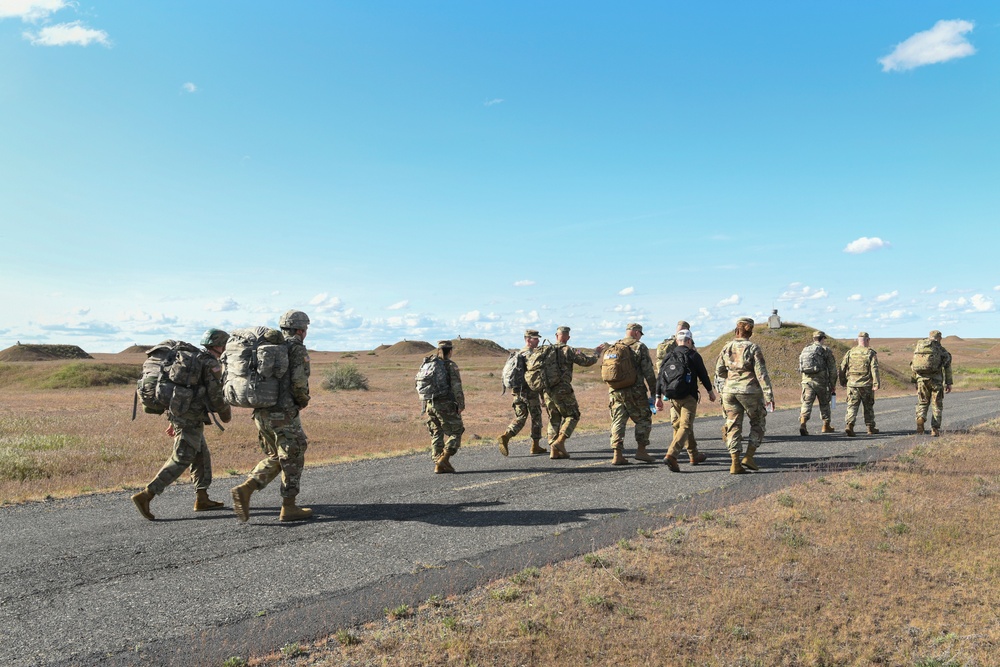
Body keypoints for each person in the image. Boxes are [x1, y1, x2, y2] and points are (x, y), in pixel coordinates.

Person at [131, 328, 232, 520]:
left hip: (183, 413)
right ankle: (146, 495)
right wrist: (226, 414)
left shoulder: (195, 359)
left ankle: (202, 498)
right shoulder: (210, 363)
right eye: (225, 345)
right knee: (183, 457)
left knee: (201, 453)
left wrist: (174, 418)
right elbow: (215, 395)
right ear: (219, 346)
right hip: (189, 416)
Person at [231, 310, 313, 522]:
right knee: (293, 454)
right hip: (283, 413)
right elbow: (298, 382)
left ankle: (247, 489)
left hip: (261, 411)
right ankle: (289, 506)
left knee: (277, 456)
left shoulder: (266, 348)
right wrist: (302, 401)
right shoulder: (296, 349)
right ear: (300, 330)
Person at [714, 317, 775, 474]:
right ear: (751, 331)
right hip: (749, 391)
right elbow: (761, 374)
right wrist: (769, 396)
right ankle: (748, 457)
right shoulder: (753, 348)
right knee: (758, 422)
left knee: (733, 425)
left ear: (737, 330)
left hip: (729, 391)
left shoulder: (727, 347)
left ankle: (735, 463)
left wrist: (731, 377)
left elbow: (719, 370)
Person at [655, 329, 716, 472]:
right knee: (686, 426)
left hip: (673, 397)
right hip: (689, 397)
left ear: (677, 341)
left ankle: (694, 455)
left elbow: (660, 378)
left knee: (681, 426)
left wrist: (658, 397)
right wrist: (710, 392)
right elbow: (703, 375)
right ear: (689, 341)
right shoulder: (693, 355)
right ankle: (672, 454)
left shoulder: (669, 355)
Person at [543, 326, 606, 459]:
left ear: (556, 336)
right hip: (562, 388)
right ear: (568, 337)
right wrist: (597, 352)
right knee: (573, 415)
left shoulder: (545, 350)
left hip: (547, 389)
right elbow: (587, 361)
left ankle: (553, 449)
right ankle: (559, 442)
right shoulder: (570, 350)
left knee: (554, 417)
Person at [606, 323, 657, 465]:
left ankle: (617, 454)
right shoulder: (639, 346)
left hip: (615, 391)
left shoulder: (614, 346)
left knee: (618, 421)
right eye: (640, 333)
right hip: (635, 391)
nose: (640, 336)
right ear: (635, 333)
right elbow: (648, 371)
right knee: (643, 418)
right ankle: (641, 450)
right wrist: (654, 391)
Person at [498, 329, 546, 456]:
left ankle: (506, 436)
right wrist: (542, 395)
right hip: (529, 392)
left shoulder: (519, 353)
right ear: (528, 339)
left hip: (517, 392)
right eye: (535, 338)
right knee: (536, 417)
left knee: (520, 417)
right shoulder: (530, 355)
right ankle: (535, 446)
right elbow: (536, 377)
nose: (538, 340)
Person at [421, 340, 465, 473]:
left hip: (429, 403)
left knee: (436, 432)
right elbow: (457, 387)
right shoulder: (450, 365)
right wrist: (461, 404)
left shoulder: (429, 363)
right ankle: (444, 458)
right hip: (445, 404)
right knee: (457, 431)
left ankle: (438, 465)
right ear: (450, 351)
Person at [911, 330, 953, 436]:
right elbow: (947, 366)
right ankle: (935, 429)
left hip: (921, 380)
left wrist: (914, 380)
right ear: (939, 338)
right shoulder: (940, 349)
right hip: (936, 381)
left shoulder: (920, 347)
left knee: (922, 402)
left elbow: (913, 364)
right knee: (937, 404)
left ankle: (920, 418)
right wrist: (948, 383)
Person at [839, 331, 881, 437]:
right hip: (866, 384)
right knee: (868, 406)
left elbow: (842, 367)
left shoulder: (850, 352)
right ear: (867, 340)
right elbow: (874, 369)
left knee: (852, 405)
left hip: (852, 384)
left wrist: (843, 381)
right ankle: (870, 428)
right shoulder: (870, 352)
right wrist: (876, 383)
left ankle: (850, 425)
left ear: (858, 340)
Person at [797, 330, 838, 436]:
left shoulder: (806, 349)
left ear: (814, 338)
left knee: (806, 403)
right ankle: (826, 425)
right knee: (824, 404)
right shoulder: (825, 350)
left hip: (806, 381)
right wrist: (833, 384)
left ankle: (803, 423)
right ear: (822, 338)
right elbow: (832, 369)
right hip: (821, 382)